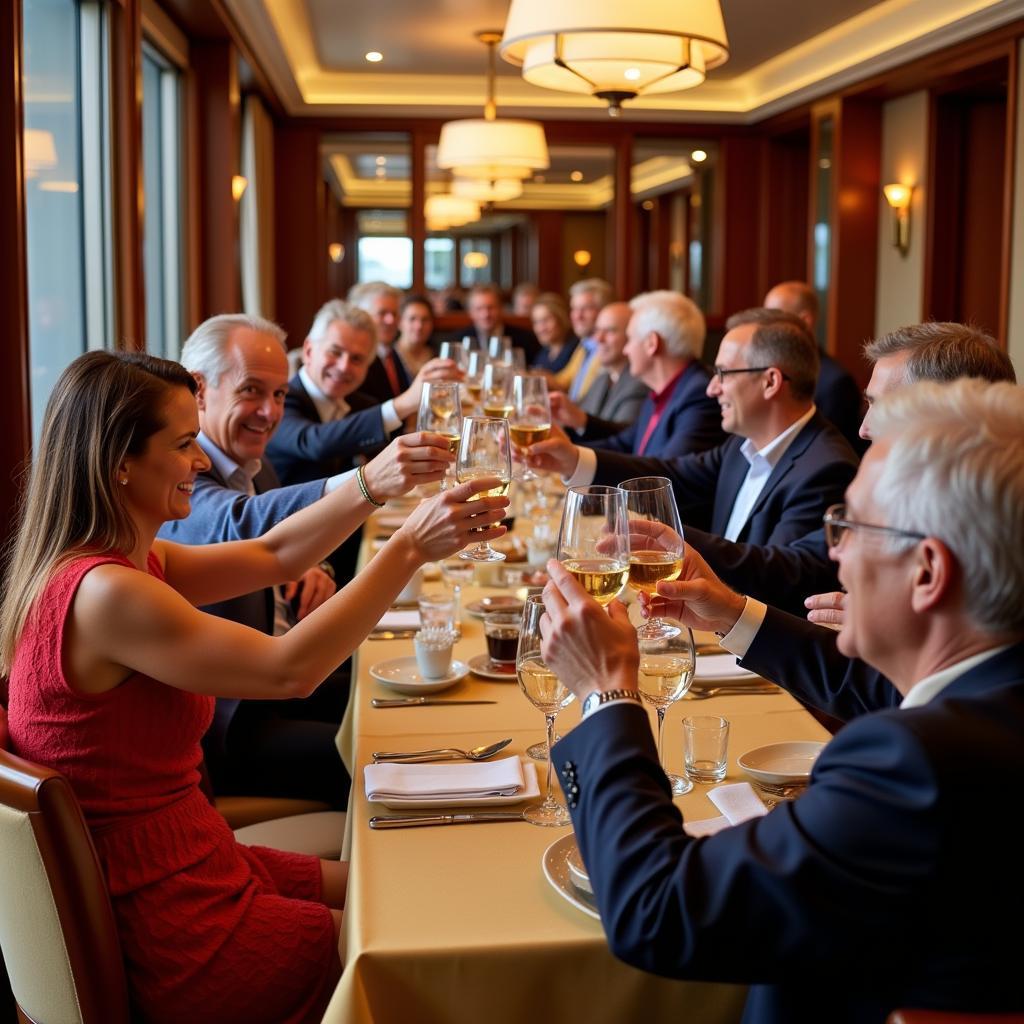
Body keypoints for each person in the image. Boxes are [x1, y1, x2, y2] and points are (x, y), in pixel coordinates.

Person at [1, 350, 508, 1024]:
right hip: (171, 924)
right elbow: (289, 670)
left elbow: (275, 555)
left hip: (193, 861)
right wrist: (407, 549)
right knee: (419, 943)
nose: (202, 461)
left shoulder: (119, 563)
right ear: (119, 461)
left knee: (416, 890)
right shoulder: (106, 595)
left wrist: (371, 488)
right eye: (185, 445)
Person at [540, 378, 1024, 1023]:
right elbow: (884, 693)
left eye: (850, 526)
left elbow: (655, 910)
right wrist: (732, 613)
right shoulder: (990, 698)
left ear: (928, 572)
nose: (835, 552)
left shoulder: (913, 765)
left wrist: (607, 693)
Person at [162, 313, 450, 802]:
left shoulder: (252, 460)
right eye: (252, 390)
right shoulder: (180, 484)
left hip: (277, 683)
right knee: (396, 760)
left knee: (421, 714)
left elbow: (282, 548)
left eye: (278, 395)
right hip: (234, 721)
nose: (270, 412)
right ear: (199, 390)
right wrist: (371, 486)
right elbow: (249, 528)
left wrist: (318, 569)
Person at [527, 308, 859, 592]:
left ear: (770, 382)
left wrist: (673, 544)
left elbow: (779, 573)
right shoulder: (742, 446)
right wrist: (574, 459)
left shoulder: (825, 467)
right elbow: (675, 474)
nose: (713, 387)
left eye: (723, 374)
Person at [266, 301, 457, 487]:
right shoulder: (280, 399)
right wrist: (405, 402)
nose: (343, 367)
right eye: (335, 352)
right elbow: (316, 443)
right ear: (308, 351)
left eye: (357, 359)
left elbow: (392, 453)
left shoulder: (358, 403)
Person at [554, 290, 721, 459]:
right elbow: (623, 444)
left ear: (652, 344)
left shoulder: (699, 394)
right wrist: (564, 453)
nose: (626, 349)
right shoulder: (661, 390)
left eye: (631, 338)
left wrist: (571, 458)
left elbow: (669, 475)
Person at [764, 280, 864, 451]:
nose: (765, 326)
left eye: (774, 317)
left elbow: (829, 449)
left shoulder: (835, 383)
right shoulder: (766, 369)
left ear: (805, 321)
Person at [549, 301, 649, 439]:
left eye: (610, 331)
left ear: (632, 336)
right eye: (597, 330)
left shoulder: (641, 383)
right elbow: (577, 419)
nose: (598, 338)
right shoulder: (602, 378)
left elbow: (623, 441)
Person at [348, 281, 410, 402]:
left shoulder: (391, 354)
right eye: (382, 313)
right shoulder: (354, 361)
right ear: (361, 317)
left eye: (394, 313)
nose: (391, 320)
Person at [564, 278, 614, 400]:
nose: (577, 316)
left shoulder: (608, 350)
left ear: (604, 311)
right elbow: (564, 380)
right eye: (574, 309)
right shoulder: (585, 344)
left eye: (586, 308)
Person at [462, 282, 538, 359]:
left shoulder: (526, 340)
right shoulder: (458, 340)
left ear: (501, 308)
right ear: (470, 312)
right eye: (479, 309)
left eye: (490, 307)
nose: (486, 314)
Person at [530, 292, 579, 377]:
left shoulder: (576, 348)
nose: (541, 328)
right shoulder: (544, 352)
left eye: (546, 320)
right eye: (536, 322)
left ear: (562, 318)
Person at [395, 293, 437, 376]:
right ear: (400, 322)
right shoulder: (389, 358)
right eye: (412, 319)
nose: (419, 326)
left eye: (425, 320)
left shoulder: (436, 356)